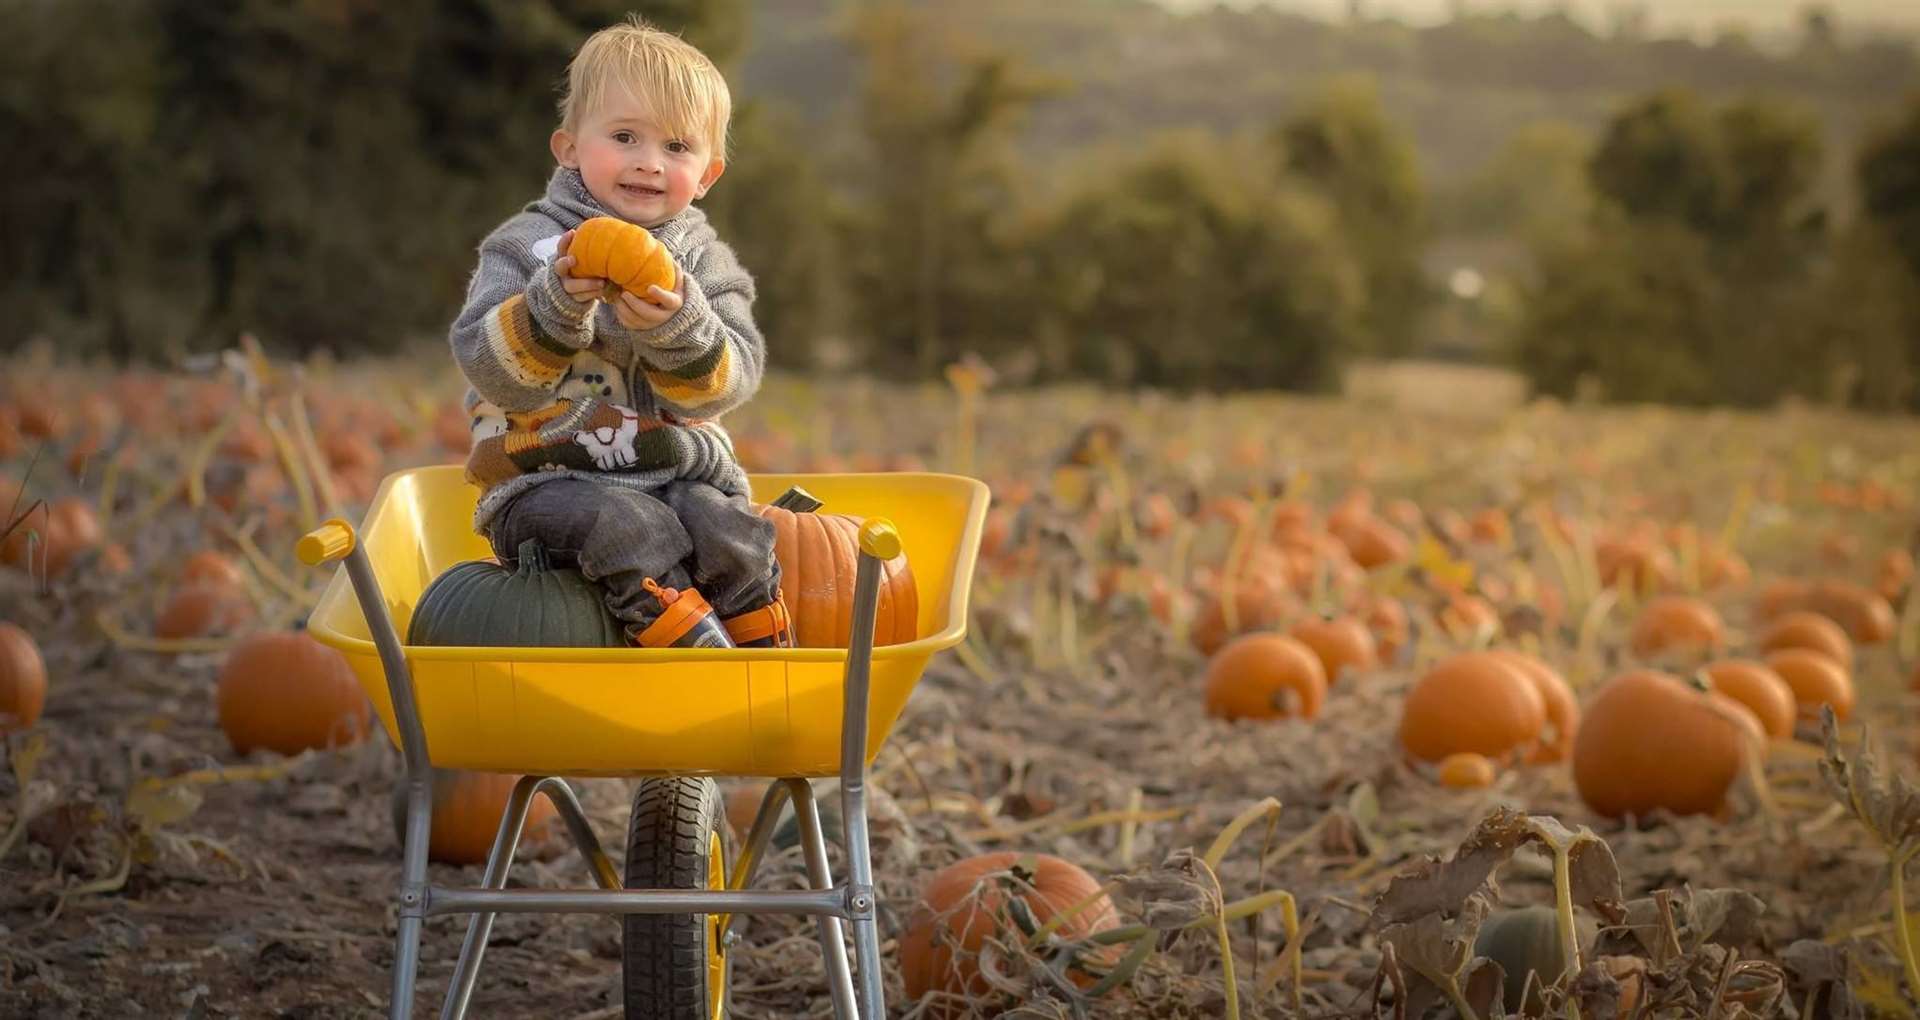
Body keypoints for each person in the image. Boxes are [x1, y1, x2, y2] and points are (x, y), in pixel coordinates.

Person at [447, 17, 788, 649]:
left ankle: (764, 649)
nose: (649, 163)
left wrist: (680, 330)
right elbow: (489, 370)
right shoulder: (527, 249)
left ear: (708, 174)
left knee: (730, 529)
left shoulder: (705, 266)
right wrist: (550, 309)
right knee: (625, 524)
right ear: (571, 148)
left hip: (680, 475)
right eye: (625, 136)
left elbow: (725, 385)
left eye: (676, 148)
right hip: (544, 481)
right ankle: (688, 645)